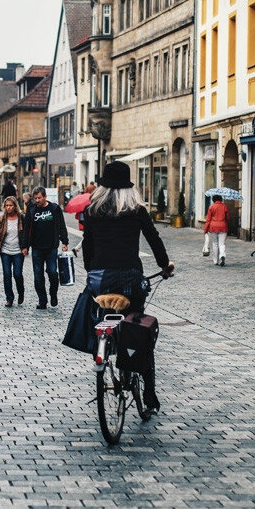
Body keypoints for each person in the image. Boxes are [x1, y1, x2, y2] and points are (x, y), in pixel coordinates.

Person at [81, 161, 174, 414]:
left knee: (103, 312)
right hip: (130, 276)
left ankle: (104, 345)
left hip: (100, 277)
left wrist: (92, 272)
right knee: (137, 329)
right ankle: (150, 395)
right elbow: (154, 239)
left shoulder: (91, 210)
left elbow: (87, 247)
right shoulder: (136, 210)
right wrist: (165, 265)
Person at [21, 186, 69, 310]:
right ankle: (42, 300)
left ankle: (53, 293)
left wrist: (64, 241)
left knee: (52, 272)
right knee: (38, 275)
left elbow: (61, 225)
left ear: (45, 197)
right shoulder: (31, 209)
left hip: (51, 247)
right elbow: (26, 229)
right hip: (36, 247)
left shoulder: (54, 208)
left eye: (39, 198)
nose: (37, 200)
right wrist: (24, 245)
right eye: (35, 198)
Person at [0, 196, 25, 307]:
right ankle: (9, 298)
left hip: (18, 252)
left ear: (15, 206)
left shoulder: (21, 218)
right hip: (5, 251)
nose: (8, 208)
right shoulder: (1, 219)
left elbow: (26, 235)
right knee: (7, 275)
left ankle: (21, 292)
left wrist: (25, 247)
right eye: (6, 206)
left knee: (17, 274)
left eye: (10, 205)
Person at [71, 183, 96, 256]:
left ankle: (76, 249)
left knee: (86, 236)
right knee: (87, 236)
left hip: (83, 220)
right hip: (89, 221)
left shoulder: (84, 199)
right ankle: (77, 249)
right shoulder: (93, 199)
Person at [204, 195, 229, 266]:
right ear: (221, 199)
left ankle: (215, 261)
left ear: (213, 200)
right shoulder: (225, 207)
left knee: (215, 244)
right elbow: (228, 217)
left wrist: (205, 229)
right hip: (223, 227)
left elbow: (208, 219)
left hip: (213, 227)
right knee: (222, 243)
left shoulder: (211, 207)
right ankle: (222, 255)